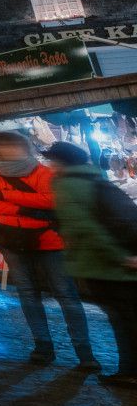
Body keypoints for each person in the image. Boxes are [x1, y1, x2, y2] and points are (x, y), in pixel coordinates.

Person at [0, 130, 97, 369]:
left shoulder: (43, 172)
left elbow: (50, 201)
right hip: (12, 241)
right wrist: (22, 209)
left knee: (66, 295)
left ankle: (85, 354)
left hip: (48, 241)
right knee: (28, 295)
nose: (10, 151)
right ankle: (43, 347)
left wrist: (6, 196)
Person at [48, 140, 137, 387]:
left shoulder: (66, 185)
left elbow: (86, 229)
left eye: (51, 161)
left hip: (103, 264)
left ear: (59, 162)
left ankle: (130, 372)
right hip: (124, 259)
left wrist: (120, 258)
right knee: (130, 319)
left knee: (122, 321)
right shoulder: (96, 179)